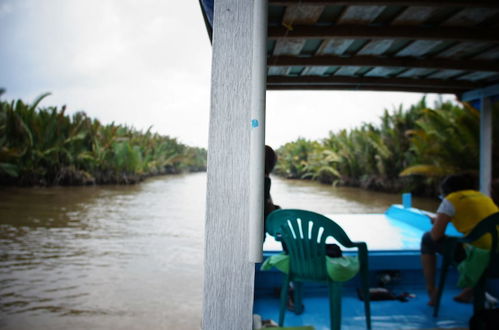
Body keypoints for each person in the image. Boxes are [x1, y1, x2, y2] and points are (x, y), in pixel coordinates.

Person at [421, 174, 499, 306]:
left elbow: (436, 236)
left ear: (446, 192)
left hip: (479, 256)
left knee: (427, 239)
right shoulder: (484, 198)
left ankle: (432, 291)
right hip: (496, 254)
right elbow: (479, 222)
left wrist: (437, 222)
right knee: (479, 241)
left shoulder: (451, 200)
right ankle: (469, 291)